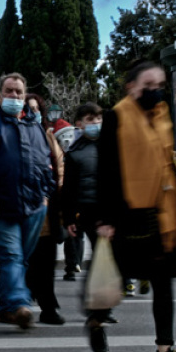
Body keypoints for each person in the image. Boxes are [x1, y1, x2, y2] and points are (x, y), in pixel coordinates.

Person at [88, 62, 176, 352]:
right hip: (126, 214)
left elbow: (168, 162)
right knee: (114, 280)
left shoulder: (162, 116)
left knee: (163, 283)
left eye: (160, 84)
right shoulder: (116, 116)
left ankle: (165, 351)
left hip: (160, 214)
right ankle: (96, 318)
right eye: (148, 84)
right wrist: (105, 218)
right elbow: (106, 169)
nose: (155, 90)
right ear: (131, 86)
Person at [0, 73, 57, 329]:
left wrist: (46, 195)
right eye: (9, 91)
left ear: (25, 94)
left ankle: (6, 308)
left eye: (18, 91)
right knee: (11, 256)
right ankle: (20, 303)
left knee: (21, 258)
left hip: (34, 205)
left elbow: (45, 162)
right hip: (1, 205)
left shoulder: (33, 125)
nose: (14, 96)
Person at [23, 93, 66, 325]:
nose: (33, 112)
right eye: (28, 109)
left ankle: (48, 306)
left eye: (36, 108)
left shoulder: (49, 136)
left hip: (48, 207)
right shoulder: (17, 133)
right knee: (28, 259)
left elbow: (59, 167)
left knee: (47, 260)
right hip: (25, 207)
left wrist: (56, 192)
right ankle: (25, 298)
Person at [61, 102, 103, 282]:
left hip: (103, 208)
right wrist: (68, 217)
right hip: (82, 209)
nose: (95, 123)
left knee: (102, 250)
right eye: (90, 119)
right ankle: (73, 265)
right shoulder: (74, 152)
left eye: (99, 119)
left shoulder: (110, 147)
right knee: (81, 242)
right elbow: (68, 187)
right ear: (79, 123)